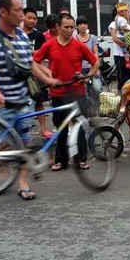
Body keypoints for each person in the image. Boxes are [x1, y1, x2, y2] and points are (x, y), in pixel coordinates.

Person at [0, 0, 50, 200]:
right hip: (0, 104)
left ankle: (23, 183)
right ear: (3, 12)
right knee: (2, 145)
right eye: (17, 10)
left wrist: (48, 78)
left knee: (24, 144)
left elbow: (30, 64)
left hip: (22, 101)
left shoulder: (22, 36)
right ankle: (2, 173)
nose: (22, 15)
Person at [31, 13, 98, 172]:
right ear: (58, 27)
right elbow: (34, 61)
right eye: (66, 27)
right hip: (58, 93)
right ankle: (61, 160)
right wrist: (47, 75)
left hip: (77, 93)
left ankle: (81, 159)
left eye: (71, 27)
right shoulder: (49, 45)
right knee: (61, 128)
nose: (69, 30)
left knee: (79, 127)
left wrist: (87, 76)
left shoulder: (79, 46)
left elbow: (95, 62)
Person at [109, 4, 130, 90]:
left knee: (128, 77)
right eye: (127, 11)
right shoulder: (113, 24)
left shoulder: (128, 25)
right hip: (119, 55)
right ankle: (121, 94)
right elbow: (115, 38)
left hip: (129, 55)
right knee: (121, 77)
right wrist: (126, 45)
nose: (128, 13)